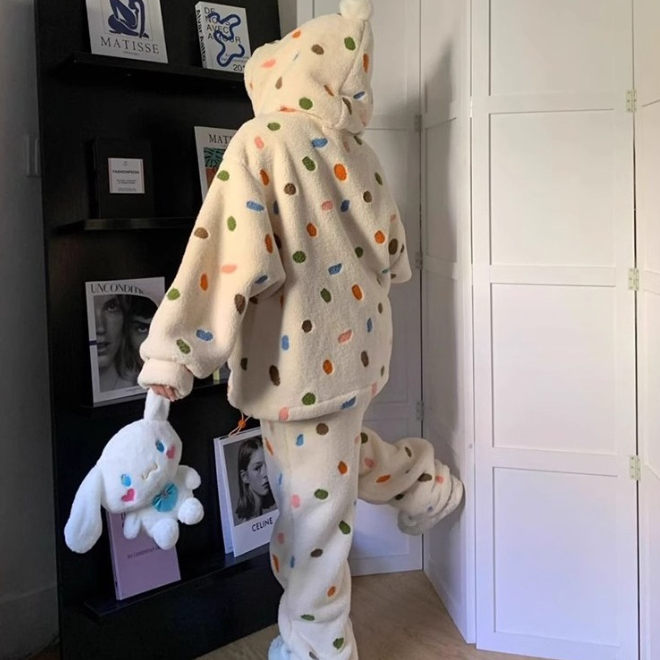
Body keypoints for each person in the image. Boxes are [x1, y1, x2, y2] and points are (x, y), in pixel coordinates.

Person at [139, 1, 463, 658]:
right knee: (326, 476)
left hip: (298, 368)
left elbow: (222, 258)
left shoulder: (261, 141)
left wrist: (177, 352)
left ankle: (320, 648)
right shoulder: (360, 154)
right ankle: (422, 482)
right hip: (355, 354)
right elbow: (396, 257)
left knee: (312, 525)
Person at [234, 436, 276, 523]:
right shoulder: (250, 522)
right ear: (245, 477)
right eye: (257, 468)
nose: (266, 473)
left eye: (268, 464)